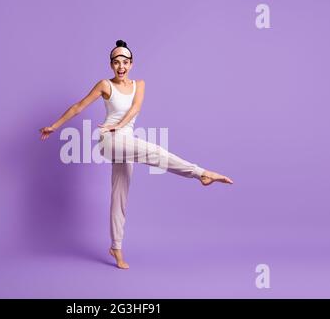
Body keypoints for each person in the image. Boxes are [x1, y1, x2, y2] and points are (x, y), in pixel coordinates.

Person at [40, 40, 233, 269]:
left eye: (124, 62)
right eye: (116, 62)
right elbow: (78, 106)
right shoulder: (105, 85)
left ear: (131, 64)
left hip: (125, 139)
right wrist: (55, 125)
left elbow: (135, 109)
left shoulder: (138, 84)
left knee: (119, 196)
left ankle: (116, 248)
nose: (120, 66)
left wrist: (119, 125)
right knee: (155, 151)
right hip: (109, 140)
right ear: (111, 65)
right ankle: (201, 173)